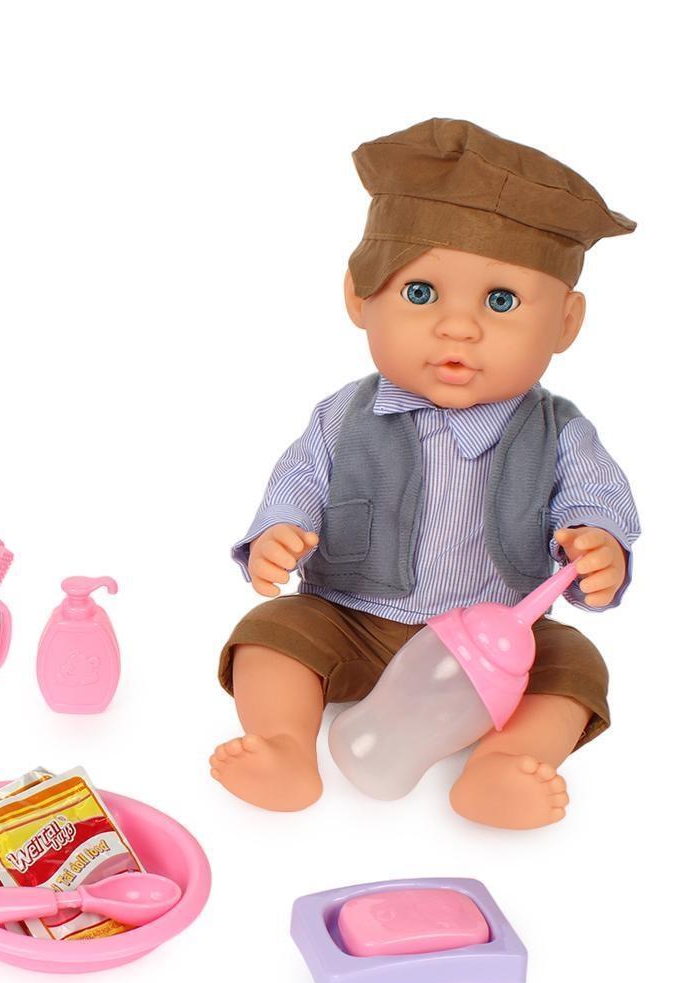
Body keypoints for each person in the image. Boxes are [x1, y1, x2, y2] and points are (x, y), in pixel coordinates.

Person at [211, 118, 640, 830]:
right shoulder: (343, 416)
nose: (458, 328)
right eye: (420, 294)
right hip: (353, 619)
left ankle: (501, 764)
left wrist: (597, 543)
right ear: (360, 297)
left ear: (566, 323)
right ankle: (285, 745)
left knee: (574, 666)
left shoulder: (560, 431)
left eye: (500, 302)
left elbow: (594, 496)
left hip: (498, 645)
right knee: (271, 631)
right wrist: (279, 532)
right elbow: (301, 478)